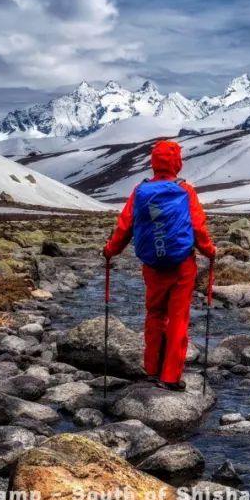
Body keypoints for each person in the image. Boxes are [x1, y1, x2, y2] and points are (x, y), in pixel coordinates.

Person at [102, 139, 216, 391]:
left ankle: (152, 370)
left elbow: (125, 227)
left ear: (153, 162)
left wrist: (110, 251)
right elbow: (198, 228)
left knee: (154, 315)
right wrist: (210, 251)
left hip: (152, 265)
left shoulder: (140, 191)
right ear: (177, 162)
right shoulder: (185, 190)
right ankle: (171, 376)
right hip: (182, 265)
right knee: (178, 319)